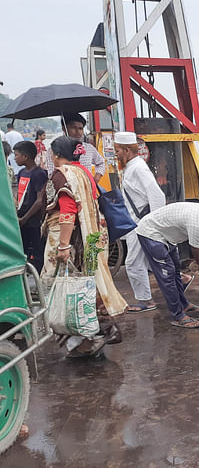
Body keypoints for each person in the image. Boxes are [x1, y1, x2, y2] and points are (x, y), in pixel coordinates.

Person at [41, 136, 128, 357]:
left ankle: (98, 331)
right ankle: (91, 333)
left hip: (68, 238)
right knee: (85, 283)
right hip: (89, 237)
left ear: (57, 154)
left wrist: (63, 246)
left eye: (52, 153)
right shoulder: (83, 172)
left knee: (60, 284)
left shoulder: (62, 174)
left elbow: (68, 211)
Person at [137, 201, 199, 328]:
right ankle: (178, 316)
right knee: (167, 275)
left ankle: (184, 305)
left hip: (168, 235)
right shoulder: (196, 222)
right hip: (151, 233)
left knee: (176, 271)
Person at [114, 132, 166, 313]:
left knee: (134, 263)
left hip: (141, 223)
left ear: (127, 150)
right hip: (136, 222)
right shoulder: (131, 167)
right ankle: (181, 278)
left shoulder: (138, 168)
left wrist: (155, 222)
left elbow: (157, 195)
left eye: (118, 150)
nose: (116, 154)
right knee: (150, 259)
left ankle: (146, 301)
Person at [13, 141, 47, 271]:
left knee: (38, 253)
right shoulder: (22, 172)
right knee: (23, 251)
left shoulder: (38, 174)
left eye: (16, 155)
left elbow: (39, 200)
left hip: (33, 221)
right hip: (22, 220)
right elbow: (19, 196)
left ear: (25, 156)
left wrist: (25, 218)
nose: (15, 158)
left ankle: (39, 281)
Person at [46, 112, 106, 184]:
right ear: (64, 128)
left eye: (80, 128)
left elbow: (101, 163)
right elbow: (51, 174)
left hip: (86, 189)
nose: (78, 132)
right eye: (73, 128)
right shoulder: (53, 150)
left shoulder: (89, 148)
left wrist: (95, 179)